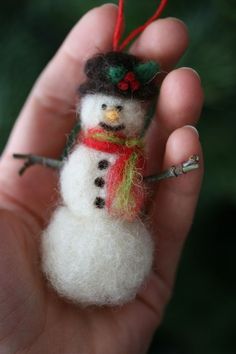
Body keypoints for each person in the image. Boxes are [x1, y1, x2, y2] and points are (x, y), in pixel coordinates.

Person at [0, 4, 203, 353]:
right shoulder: (85, 149)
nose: (112, 113)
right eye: (105, 105)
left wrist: (174, 172)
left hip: (121, 240)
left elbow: (146, 180)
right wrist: (37, 159)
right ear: (87, 108)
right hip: (72, 237)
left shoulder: (132, 159)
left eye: (121, 108)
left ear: (136, 114)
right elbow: (68, 168)